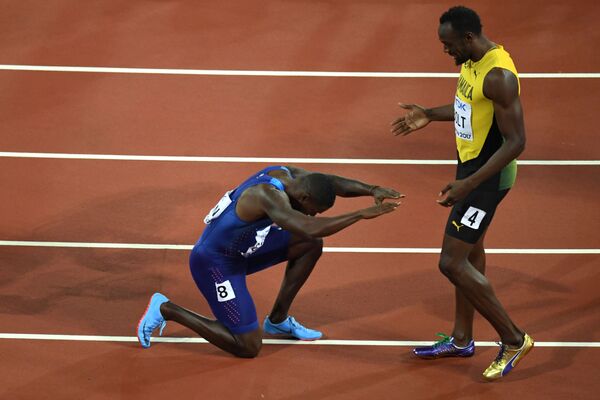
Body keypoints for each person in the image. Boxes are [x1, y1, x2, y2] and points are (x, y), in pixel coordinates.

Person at [391, 6, 533, 380]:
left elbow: (517, 142)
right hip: (470, 170)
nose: (445, 52)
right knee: (471, 253)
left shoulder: (499, 75)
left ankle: (514, 338)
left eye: (448, 45)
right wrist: (429, 114)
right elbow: (466, 107)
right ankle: (461, 339)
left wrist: (469, 185)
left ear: (468, 38)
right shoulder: (472, 62)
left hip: (487, 180)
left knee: (452, 263)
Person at [137, 165, 402, 358]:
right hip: (215, 264)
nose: (313, 213)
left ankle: (277, 320)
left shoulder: (290, 175)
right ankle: (167, 309)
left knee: (309, 245)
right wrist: (362, 214)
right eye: (315, 210)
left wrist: (372, 189)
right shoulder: (267, 196)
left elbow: (330, 182)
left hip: (244, 250)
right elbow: (308, 226)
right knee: (248, 346)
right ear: (305, 199)